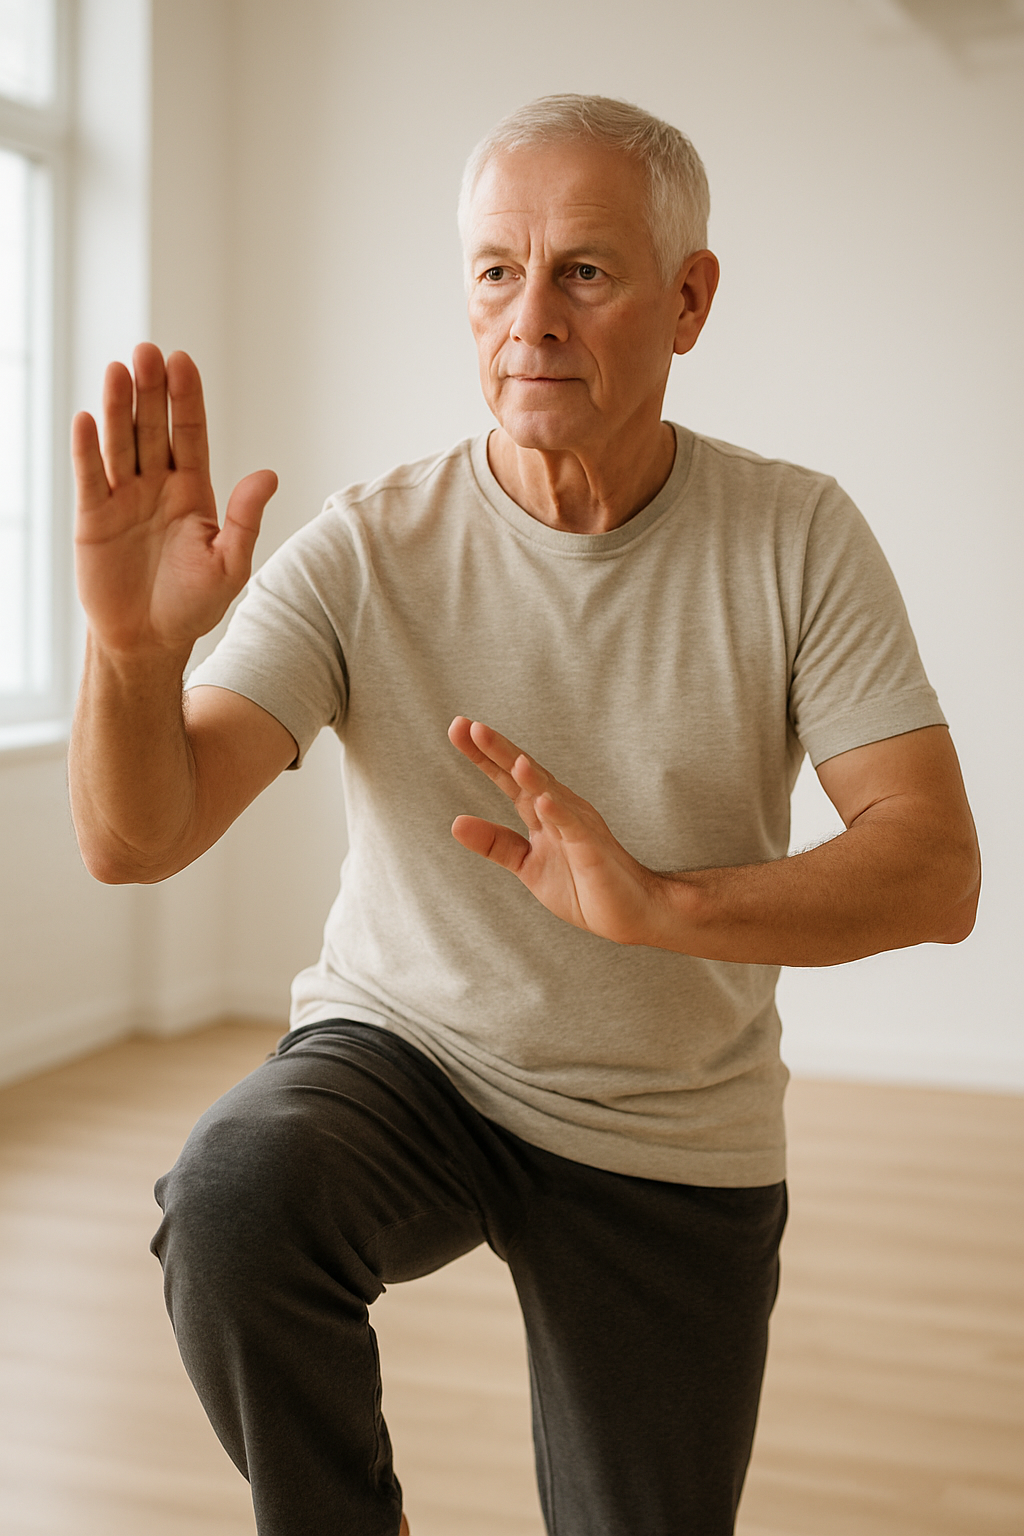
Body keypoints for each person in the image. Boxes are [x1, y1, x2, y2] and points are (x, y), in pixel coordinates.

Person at [68, 95, 980, 1536]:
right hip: (408, 1056)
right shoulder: (368, 548)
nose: (530, 317)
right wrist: (133, 657)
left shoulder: (799, 536)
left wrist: (666, 907)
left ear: (689, 301)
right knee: (238, 1197)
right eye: (497, 270)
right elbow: (140, 835)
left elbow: (934, 872)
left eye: (586, 272)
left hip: (669, 1117)